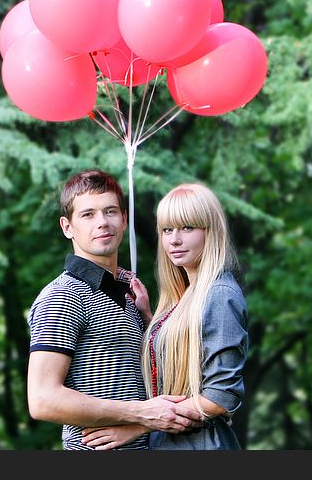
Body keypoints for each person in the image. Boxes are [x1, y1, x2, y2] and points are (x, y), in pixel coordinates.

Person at [27, 169, 203, 450]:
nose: (102, 222)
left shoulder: (128, 290)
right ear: (67, 227)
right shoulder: (62, 296)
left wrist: (148, 318)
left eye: (110, 211)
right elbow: (42, 400)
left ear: (124, 219)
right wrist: (142, 413)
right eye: (88, 215)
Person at [82, 182, 248, 450]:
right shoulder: (189, 294)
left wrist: (139, 425)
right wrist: (149, 316)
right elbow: (181, 351)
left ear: (211, 231)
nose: (174, 240)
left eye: (187, 228)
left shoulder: (219, 294)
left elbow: (220, 396)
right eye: (167, 230)